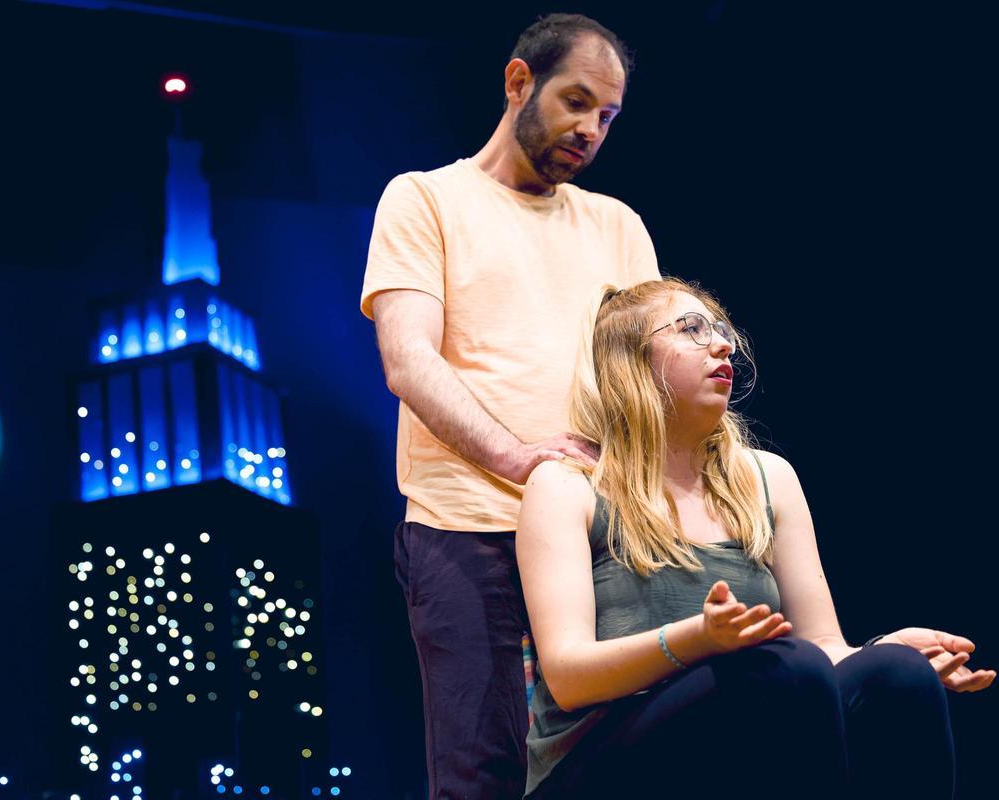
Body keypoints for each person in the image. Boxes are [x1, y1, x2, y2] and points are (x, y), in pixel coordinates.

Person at [516, 278, 994, 799]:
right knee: (781, 667)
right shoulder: (567, 486)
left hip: (746, 720)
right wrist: (699, 639)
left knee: (895, 675)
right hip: (597, 764)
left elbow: (823, 648)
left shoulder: (767, 478)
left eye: (721, 331)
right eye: (691, 330)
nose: (722, 344)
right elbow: (567, 676)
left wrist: (879, 650)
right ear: (630, 362)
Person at [360, 12, 660, 799]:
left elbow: (651, 377)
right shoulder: (424, 200)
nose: (590, 130)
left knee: (625, 761)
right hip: (468, 529)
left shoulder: (618, 226)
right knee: (483, 772)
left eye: (607, 116)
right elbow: (407, 357)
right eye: (576, 101)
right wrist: (516, 457)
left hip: (599, 532)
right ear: (518, 82)